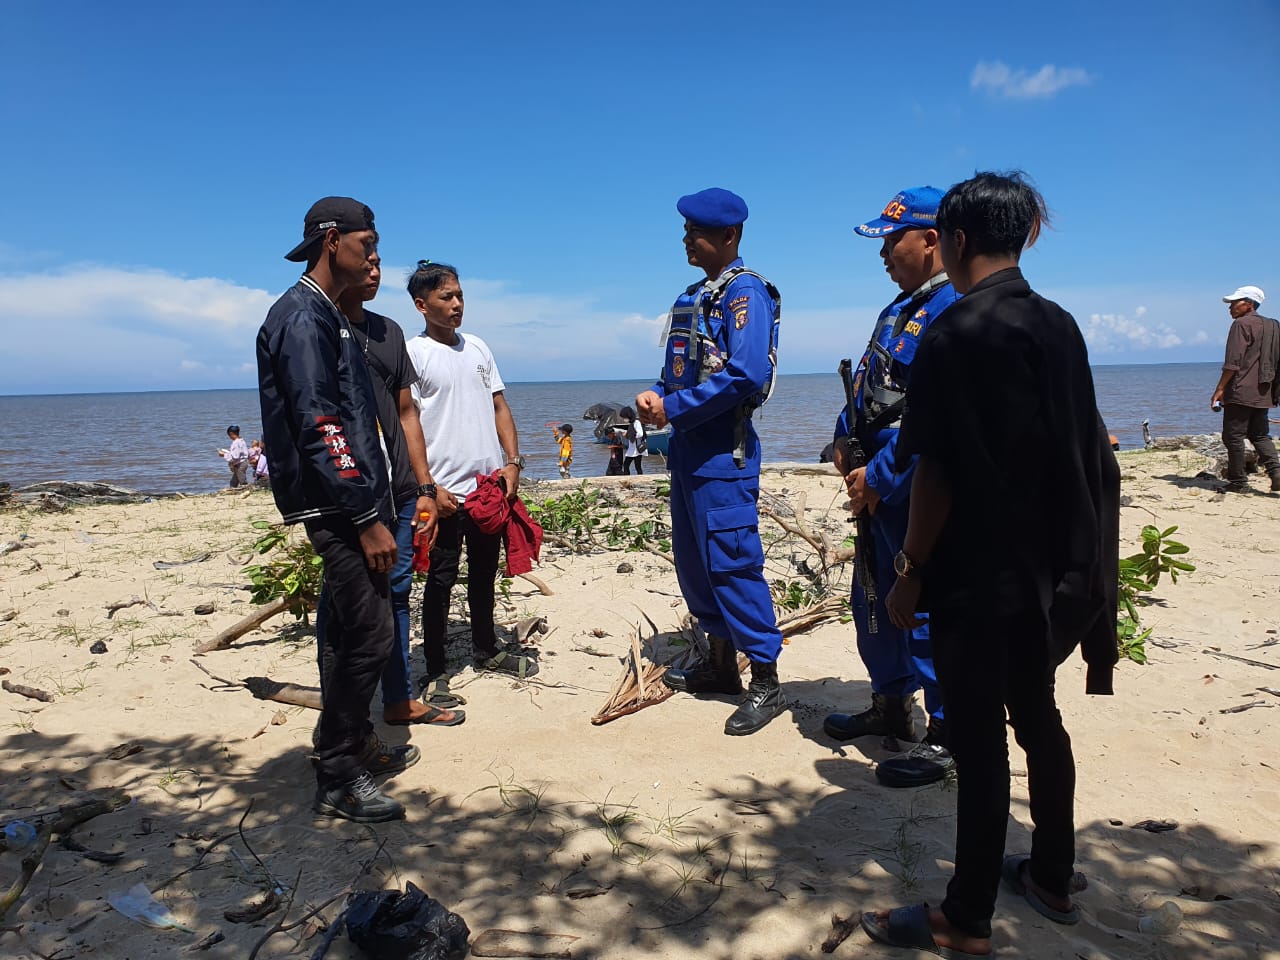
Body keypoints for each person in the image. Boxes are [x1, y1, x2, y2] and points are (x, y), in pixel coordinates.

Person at [863, 172, 1120, 957]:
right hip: (1051, 571)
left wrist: (909, 568)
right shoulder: (1059, 324)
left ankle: (964, 916)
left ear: (958, 241)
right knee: (1038, 718)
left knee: (978, 744)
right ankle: (1050, 871)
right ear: (1026, 236)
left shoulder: (956, 332)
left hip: (979, 571)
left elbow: (934, 470)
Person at [257, 196, 416, 824]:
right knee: (370, 634)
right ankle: (339, 773)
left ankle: (349, 744)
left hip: (356, 499)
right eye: (367, 243)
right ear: (332, 241)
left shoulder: (333, 316)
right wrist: (364, 517)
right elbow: (320, 424)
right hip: (339, 508)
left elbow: (358, 418)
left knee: (358, 630)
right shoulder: (301, 318)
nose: (374, 257)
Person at [823, 187, 959, 788]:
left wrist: (877, 481)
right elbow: (870, 394)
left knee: (923, 607)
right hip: (870, 490)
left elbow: (933, 426)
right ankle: (891, 704)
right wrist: (840, 444)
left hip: (909, 493)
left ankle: (947, 733)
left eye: (891, 239)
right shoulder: (896, 309)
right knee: (873, 602)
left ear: (931, 239)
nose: (882, 253)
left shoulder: (952, 311)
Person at [637, 187, 785, 737]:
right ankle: (720, 664)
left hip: (725, 453)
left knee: (732, 562)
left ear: (729, 236)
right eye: (684, 231)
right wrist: (658, 395)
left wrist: (673, 407)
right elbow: (685, 370)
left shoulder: (746, 295)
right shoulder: (695, 297)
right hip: (687, 453)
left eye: (696, 232)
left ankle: (765, 682)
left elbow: (745, 374)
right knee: (695, 563)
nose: (686, 240)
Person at [331, 253, 461, 727]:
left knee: (399, 590)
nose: (373, 270)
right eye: (364, 257)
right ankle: (347, 714)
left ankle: (400, 697)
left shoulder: (388, 332)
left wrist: (424, 485)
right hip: (348, 493)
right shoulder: (314, 325)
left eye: (378, 261)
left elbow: (408, 413)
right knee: (348, 600)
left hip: (402, 490)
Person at [405, 260, 538, 711]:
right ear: (422, 305)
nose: (457, 304)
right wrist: (428, 486)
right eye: (447, 297)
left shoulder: (479, 348)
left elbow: (499, 406)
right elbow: (408, 425)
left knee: (483, 575)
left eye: (460, 295)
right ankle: (436, 670)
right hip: (444, 494)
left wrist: (513, 462)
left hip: (487, 489)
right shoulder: (413, 354)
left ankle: (486, 648)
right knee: (439, 580)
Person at [1210, 285, 1280, 494]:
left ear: (1249, 304)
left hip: (1241, 389)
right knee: (1260, 435)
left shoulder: (1241, 325)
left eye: (1235, 302)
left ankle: (1238, 482)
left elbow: (1232, 363)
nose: (1230, 307)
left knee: (1233, 436)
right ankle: (1276, 473)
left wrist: (1219, 389)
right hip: (1265, 389)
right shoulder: (1273, 325)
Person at [621, 406, 646, 475]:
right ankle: (631, 479)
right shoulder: (632, 423)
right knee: (634, 466)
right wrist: (627, 434)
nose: (624, 419)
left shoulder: (636, 422)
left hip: (637, 449)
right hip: (633, 449)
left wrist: (628, 435)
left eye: (624, 417)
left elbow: (640, 434)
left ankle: (629, 479)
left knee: (628, 465)